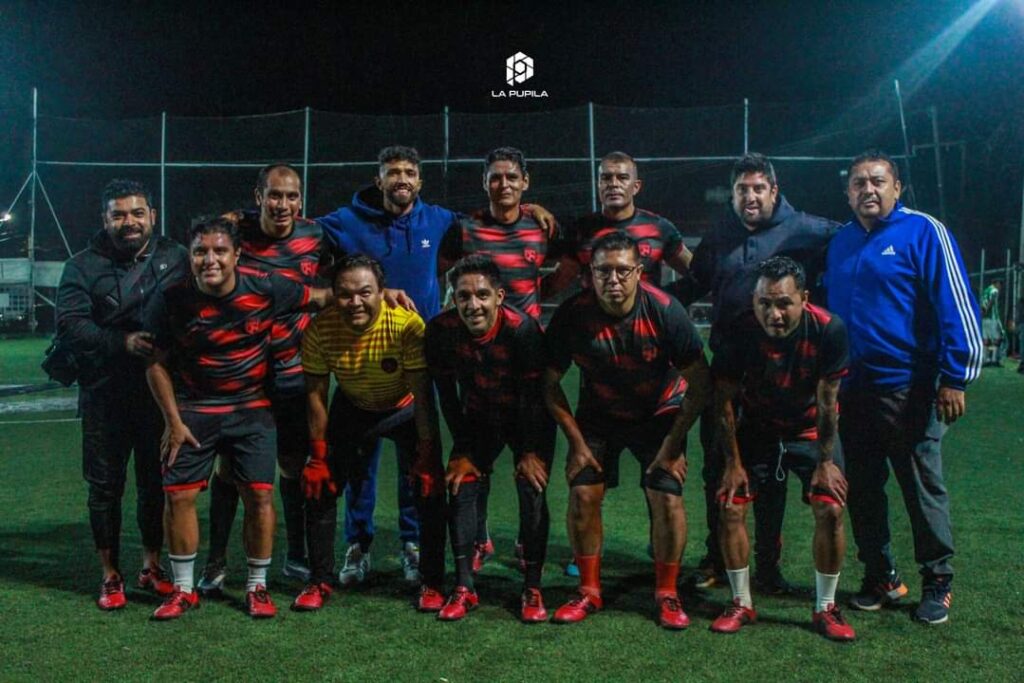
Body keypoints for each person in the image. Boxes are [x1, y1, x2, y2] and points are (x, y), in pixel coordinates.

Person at [316, 145, 555, 586]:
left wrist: (529, 208)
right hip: (360, 355)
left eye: (409, 172)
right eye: (393, 172)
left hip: (420, 353)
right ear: (379, 179)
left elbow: (496, 218)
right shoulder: (347, 221)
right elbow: (298, 232)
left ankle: (413, 543)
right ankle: (358, 543)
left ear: (420, 181)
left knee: (419, 459)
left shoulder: (441, 220)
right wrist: (246, 220)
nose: (401, 179)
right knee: (361, 466)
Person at [145, 217, 332, 620]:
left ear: (237, 255)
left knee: (260, 495)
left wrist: (379, 293)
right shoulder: (172, 295)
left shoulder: (265, 286)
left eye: (219, 251)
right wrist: (173, 422)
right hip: (195, 410)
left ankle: (256, 586)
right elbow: (155, 363)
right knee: (179, 496)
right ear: (190, 255)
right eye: (200, 251)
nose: (209, 259)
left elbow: (320, 298)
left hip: (251, 408)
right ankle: (183, 589)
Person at [825, 150, 982, 625]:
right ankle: (881, 575)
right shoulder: (841, 241)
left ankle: (938, 580)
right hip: (853, 392)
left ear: (897, 188)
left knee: (921, 488)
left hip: (909, 390)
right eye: (858, 183)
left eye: (877, 181)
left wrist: (954, 377)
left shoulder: (923, 231)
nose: (868, 190)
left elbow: (956, 304)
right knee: (863, 489)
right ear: (847, 193)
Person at [672, 152, 839, 592]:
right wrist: (650, 305)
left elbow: (854, 244)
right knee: (719, 468)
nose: (750, 196)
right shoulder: (721, 233)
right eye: (742, 189)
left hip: (785, 372)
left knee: (773, 473)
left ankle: (768, 568)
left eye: (758, 188)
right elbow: (695, 283)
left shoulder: (806, 228)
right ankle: (716, 558)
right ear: (732, 195)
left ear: (774, 191)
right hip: (729, 369)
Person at [543, 233, 709, 629]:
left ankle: (667, 593)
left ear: (639, 272)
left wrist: (672, 444)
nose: (613, 279)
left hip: (658, 414)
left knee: (666, 495)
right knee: (583, 492)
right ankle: (588, 590)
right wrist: (576, 443)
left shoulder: (665, 311)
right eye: (603, 271)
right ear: (590, 274)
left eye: (622, 270)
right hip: (599, 416)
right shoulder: (573, 315)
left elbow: (701, 383)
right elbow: (548, 382)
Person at [55, 179, 188, 610]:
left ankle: (151, 565)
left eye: (137, 213)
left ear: (153, 215)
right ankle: (110, 574)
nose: (129, 221)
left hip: (159, 396)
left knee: (156, 484)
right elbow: (70, 325)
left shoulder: (176, 256)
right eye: (119, 214)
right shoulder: (81, 266)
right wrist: (122, 342)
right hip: (105, 396)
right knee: (105, 489)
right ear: (105, 219)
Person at [198, 164, 328, 596]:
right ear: (258, 197)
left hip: (291, 372)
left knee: (292, 464)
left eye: (291, 196)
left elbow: (343, 275)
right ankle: (216, 560)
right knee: (229, 470)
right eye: (274, 195)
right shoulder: (237, 233)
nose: (283, 204)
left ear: (301, 199)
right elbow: (205, 252)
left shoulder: (316, 235)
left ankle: (296, 553)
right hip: (242, 375)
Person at [711, 256, 854, 641]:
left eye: (784, 303)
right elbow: (723, 400)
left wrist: (826, 462)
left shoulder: (828, 328)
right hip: (756, 429)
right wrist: (733, 463)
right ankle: (741, 602)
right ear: (753, 300)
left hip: (808, 429)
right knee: (730, 504)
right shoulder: (739, 329)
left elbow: (828, 401)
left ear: (804, 299)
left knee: (830, 506)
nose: (773, 313)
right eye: (764, 303)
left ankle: (826, 606)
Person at [292, 255, 446, 613]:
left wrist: (427, 451)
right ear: (334, 295)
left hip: (404, 407)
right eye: (345, 294)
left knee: (428, 488)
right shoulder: (320, 329)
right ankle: (321, 577)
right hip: (353, 405)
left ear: (381, 292)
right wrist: (318, 455)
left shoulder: (406, 324)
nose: (355, 302)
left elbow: (423, 394)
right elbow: (315, 396)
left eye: (365, 292)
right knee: (321, 486)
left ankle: (431, 578)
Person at [443, 146, 571, 572]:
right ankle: (478, 536)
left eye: (512, 177)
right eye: (495, 177)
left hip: (525, 354)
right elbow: (443, 270)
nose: (504, 185)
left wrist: (539, 295)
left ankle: (525, 540)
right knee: (476, 453)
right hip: (477, 357)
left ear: (525, 182)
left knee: (531, 460)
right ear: (485, 183)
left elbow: (570, 262)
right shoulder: (465, 229)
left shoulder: (540, 227)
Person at [425, 255, 555, 622]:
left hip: (528, 418)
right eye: (463, 296)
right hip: (479, 416)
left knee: (531, 484)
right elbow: (447, 396)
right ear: (453, 298)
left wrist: (529, 451)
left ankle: (532, 586)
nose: (473, 305)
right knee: (461, 481)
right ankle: (464, 586)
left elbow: (533, 397)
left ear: (499, 296)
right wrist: (463, 449)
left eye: (482, 295)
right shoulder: (441, 330)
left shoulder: (523, 330)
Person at [980, 280, 1005, 366]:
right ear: (996, 283)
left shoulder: (986, 290)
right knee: (996, 339)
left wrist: (982, 314)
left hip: (985, 319)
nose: (1000, 287)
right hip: (992, 318)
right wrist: (987, 311)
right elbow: (991, 301)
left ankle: (985, 359)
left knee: (986, 339)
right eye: (1000, 284)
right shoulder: (994, 290)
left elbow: (983, 303)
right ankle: (994, 359)